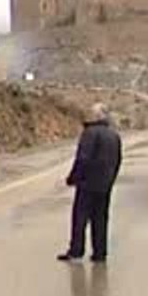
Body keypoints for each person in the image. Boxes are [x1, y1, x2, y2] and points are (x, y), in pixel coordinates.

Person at [58, 103, 123, 263]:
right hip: (105, 185)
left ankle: (76, 251)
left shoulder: (90, 133)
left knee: (80, 218)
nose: (88, 115)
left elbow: (83, 159)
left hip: (87, 184)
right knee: (101, 219)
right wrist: (111, 179)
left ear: (97, 116)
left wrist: (73, 178)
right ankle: (100, 252)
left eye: (91, 113)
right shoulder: (114, 135)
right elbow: (118, 161)